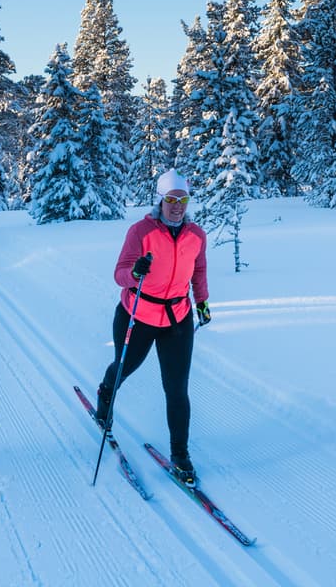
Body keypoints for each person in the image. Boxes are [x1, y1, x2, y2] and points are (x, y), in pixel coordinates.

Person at [93, 168, 212, 484]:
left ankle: (180, 455)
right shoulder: (140, 232)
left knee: (176, 389)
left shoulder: (196, 235)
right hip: (138, 315)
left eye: (182, 200)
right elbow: (119, 273)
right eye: (171, 200)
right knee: (124, 367)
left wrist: (201, 302)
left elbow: (198, 272)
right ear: (160, 201)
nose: (177, 206)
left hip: (177, 319)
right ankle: (105, 395)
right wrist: (135, 272)